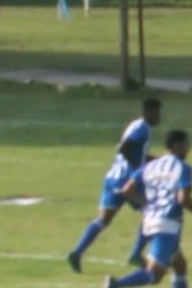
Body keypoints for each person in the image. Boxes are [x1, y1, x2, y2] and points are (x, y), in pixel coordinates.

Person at [99, 128, 192, 288]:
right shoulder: (183, 168)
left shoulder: (150, 166)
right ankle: (116, 284)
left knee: (180, 264)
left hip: (149, 222)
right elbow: (183, 198)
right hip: (167, 225)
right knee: (154, 275)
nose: (189, 147)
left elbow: (127, 190)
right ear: (177, 146)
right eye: (186, 143)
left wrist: (147, 206)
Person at [66, 97, 162, 273]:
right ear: (149, 113)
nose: (159, 117)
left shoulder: (136, 125)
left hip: (113, 179)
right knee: (152, 212)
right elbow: (124, 148)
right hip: (127, 182)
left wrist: (158, 161)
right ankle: (135, 254)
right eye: (157, 113)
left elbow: (136, 153)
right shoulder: (142, 129)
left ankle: (76, 253)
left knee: (103, 220)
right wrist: (136, 170)